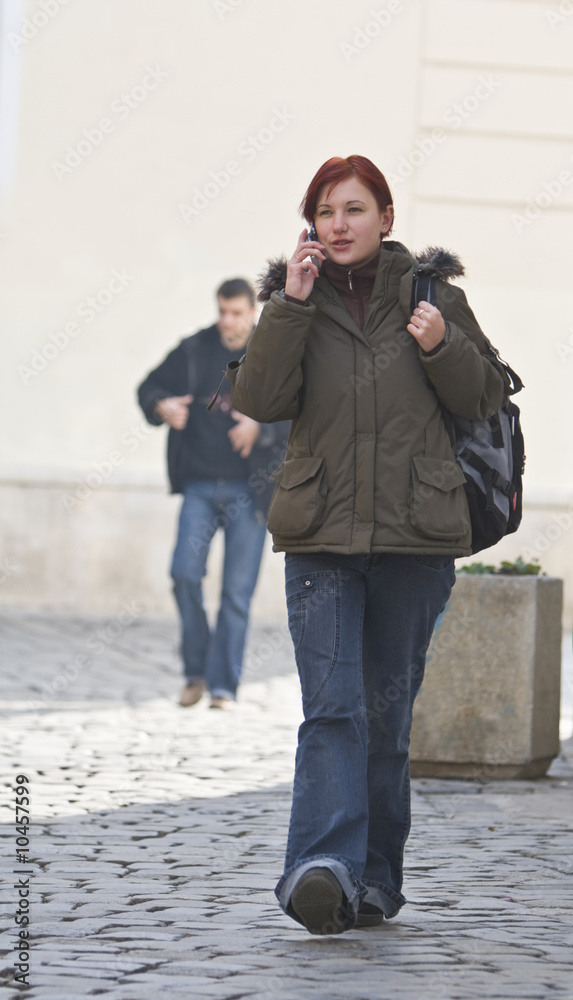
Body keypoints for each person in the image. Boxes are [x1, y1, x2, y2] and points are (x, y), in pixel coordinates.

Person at [226, 156, 506, 932]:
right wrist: (290, 306)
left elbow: (483, 396)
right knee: (332, 710)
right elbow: (257, 396)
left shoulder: (431, 295)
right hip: (321, 540)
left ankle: (376, 879)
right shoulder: (293, 301)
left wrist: (441, 341)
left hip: (417, 539)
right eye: (325, 212)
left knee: (384, 719)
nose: (339, 225)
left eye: (354, 209)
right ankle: (321, 869)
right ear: (309, 225)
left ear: (385, 217)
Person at [138, 278, 289, 711]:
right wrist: (161, 406)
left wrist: (261, 428)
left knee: (235, 594)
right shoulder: (194, 349)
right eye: (223, 311)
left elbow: (302, 411)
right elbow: (148, 388)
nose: (228, 321)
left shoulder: (271, 351)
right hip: (200, 487)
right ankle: (195, 672)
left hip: (251, 491)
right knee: (184, 574)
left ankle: (223, 687)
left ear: (252, 312)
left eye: (238, 313)